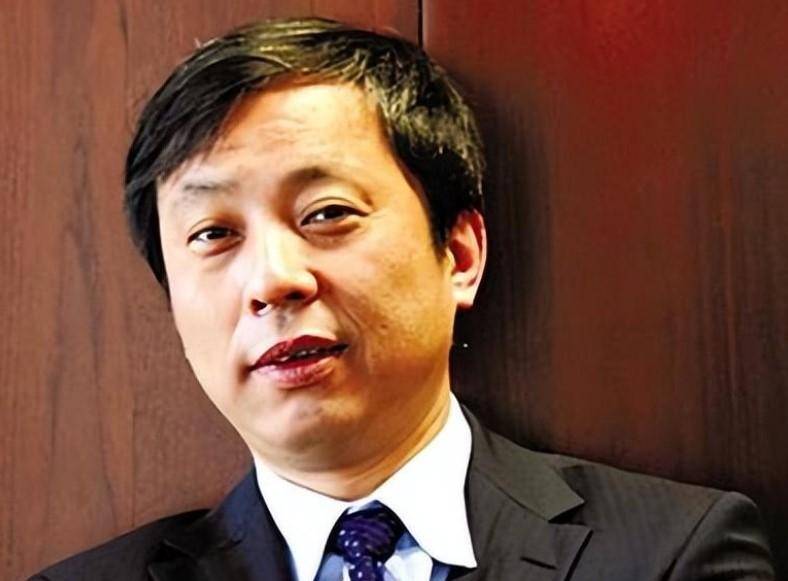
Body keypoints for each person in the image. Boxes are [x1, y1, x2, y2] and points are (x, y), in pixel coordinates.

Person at [31, 17, 775, 581]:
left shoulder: (673, 552)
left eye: (327, 213)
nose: (272, 280)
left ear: (459, 254)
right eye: (214, 234)